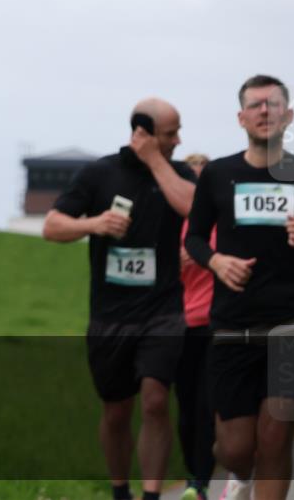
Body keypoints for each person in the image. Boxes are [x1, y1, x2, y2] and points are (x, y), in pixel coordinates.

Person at [184, 74, 294, 500]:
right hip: (233, 325)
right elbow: (194, 238)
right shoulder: (218, 174)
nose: (264, 111)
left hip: (293, 323)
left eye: (273, 104)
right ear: (241, 117)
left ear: (288, 115)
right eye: (255, 105)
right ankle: (238, 475)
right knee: (236, 449)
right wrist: (216, 261)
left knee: (275, 441)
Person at [43, 99, 197, 500]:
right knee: (116, 410)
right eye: (170, 134)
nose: (179, 140)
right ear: (142, 133)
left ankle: (150, 495)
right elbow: (52, 226)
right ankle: (119, 490)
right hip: (110, 315)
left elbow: (196, 210)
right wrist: (95, 223)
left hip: (163, 311)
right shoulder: (99, 174)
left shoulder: (177, 174)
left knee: (156, 399)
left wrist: (157, 162)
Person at [176, 153, 216, 500]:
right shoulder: (173, 223)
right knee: (185, 409)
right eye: (191, 178)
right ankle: (194, 470)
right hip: (179, 325)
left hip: (216, 325)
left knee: (206, 405)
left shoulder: (221, 221)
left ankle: (199, 482)